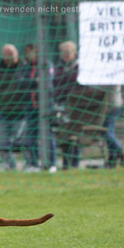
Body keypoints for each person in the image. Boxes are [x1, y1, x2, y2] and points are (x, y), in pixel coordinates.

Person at [0, 44, 26, 170]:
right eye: (7, 54)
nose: (10, 56)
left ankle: (30, 163)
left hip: (20, 113)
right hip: (2, 112)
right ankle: (9, 165)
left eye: (12, 53)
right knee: (4, 140)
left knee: (17, 139)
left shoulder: (24, 69)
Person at [18, 43, 56, 172]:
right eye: (27, 52)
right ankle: (32, 164)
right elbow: (20, 82)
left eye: (31, 52)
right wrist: (34, 81)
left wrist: (35, 82)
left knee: (47, 135)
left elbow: (47, 81)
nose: (29, 55)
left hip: (46, 107)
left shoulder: (46, 64)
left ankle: (51, 163)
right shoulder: (24, 67)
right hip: (30, 107)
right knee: (31, 136)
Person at [53, 41, 80, 169]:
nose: (66, 55)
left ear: (74, 53)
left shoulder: (80, 67)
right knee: (64, 134)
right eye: (63, 52)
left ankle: (74, 163)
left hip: (76, 105)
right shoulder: (57, 68)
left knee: (75, 135)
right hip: (61, 105)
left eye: (68, 52)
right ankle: (66, 163)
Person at [102, 85, 124, 168]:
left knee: (105, 131)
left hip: (109, 104)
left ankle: (120, 152)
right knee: (109, 131)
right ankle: (112, 160)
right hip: (116, 103)